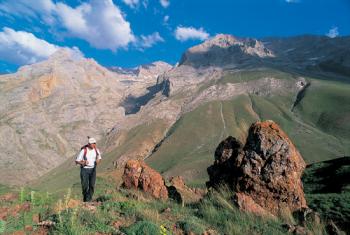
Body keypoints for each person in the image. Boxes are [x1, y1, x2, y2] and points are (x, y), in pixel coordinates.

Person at [75, 137, 102, 202]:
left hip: (93, 169)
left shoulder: (96, 150)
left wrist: (98, 160)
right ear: (89, 144)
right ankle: (85, 198)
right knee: (85, 185)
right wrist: (83, 162)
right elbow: (77, 161)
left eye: (94, 143)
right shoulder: (84, 150)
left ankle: (89, 199)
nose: (94, 145)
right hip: (84, 170)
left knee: (92, 185)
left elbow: (99, 158)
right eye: (92, 143)